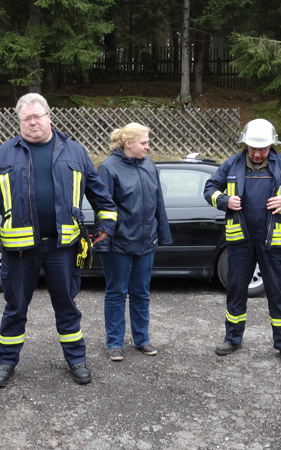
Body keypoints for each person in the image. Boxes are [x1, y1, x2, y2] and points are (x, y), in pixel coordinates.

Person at [0, 93, 118, 386]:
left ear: (49, 116)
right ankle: (5, 362)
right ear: (19, 121)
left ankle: (76, 359)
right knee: (15, 308)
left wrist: (106, 224)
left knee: (66, 305)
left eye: (37, 116)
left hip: (62, 248)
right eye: (26, 118)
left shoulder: (75, 152)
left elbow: (101, 195)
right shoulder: (2, 154)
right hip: (18, 251)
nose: (32, 122)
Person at [203, 118, 281, 365]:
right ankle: (232, 339)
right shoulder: (232, 164)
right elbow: (209, 188)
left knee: (279, 293)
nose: (257, 154)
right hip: (240, 241)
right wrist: (224, 201)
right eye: (253, 148)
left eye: (263, 149)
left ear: (271, 145)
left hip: (272, 243)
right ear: (245, 145)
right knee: (236, 291)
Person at [96, 123, 172, 361]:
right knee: (116, 293)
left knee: (141, 292)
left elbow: (158, 202)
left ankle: (142, 339)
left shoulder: (149, 165)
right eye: (144, 143)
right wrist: (103, 243)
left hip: (146, 243)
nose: (148, 147)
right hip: (118, 245)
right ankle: (115, 343)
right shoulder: (108, 168)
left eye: (148, 142)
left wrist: (163, 235)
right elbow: (103, 208)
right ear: (128, 144)